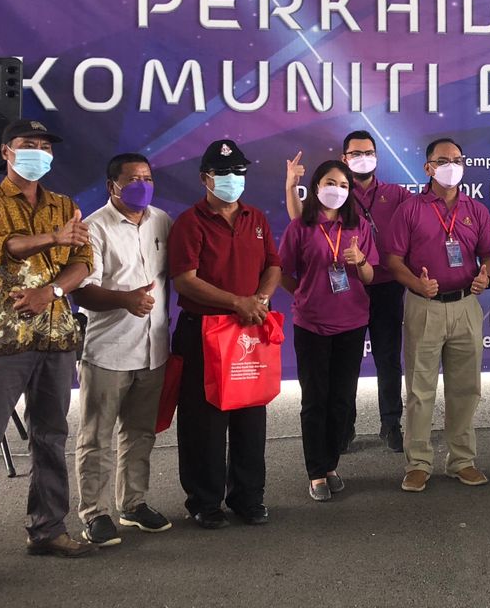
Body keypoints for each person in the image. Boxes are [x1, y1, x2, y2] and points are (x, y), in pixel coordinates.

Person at [0, 119, 96, 599]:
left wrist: (51, 291)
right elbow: (1, 248)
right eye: (28, 145)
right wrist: (54, 238)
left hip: (55, 339)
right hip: (1, 343)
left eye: (44, 146)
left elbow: (84, 263)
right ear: (5, 152)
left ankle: (48, 529)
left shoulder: (65, 204)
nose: (38, 152)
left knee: (51, 439)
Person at [168, 139, 281, 528]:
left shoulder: (256, 218)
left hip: (247, 329)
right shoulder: (190, 222)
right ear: (205, 178)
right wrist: (237, 302)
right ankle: (205, 501)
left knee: (251, 415)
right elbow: (185, 280)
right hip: (204, 331)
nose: (233, 178)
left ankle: (248, 497)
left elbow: (273, 265)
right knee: (205, 421)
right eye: (224, 172)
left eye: (239, 172)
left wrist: (259, 300)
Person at [288, 131, 412, 452]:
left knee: (388, 359)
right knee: (346, 365)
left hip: (385, 287)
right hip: (345, 291)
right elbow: (302, 222)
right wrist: (290, 186)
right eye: (356, 153)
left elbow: (419, 222)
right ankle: (344, 427)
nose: (363, 158)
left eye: (369, 152)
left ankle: (391, 424)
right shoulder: (337, 192)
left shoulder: (396, 194)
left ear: (377, 156)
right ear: (345, 158)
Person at [386, 138, 490, 491]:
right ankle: (418, 463)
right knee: (420, 390)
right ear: (428, 168)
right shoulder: (409, 210)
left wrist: (486, 276)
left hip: (466, 305)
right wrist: (417, 285)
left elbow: (489, 255)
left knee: (466, 388)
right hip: (424, 307)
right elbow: (393, 261)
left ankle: (461, 460)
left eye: (457, 160)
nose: (452, 166)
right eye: (443, 160)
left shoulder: (476, 209)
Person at [73, 153, 174, 547]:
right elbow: (82, 291)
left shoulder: (162, 221)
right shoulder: (94, 228)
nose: (141, 185)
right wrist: (125, 300)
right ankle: (94, 513)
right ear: (112, 185)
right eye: (132, 179)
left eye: (147, 178)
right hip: (108, 349)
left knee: (140, 432)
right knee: (96, 436)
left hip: (153, 348)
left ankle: (133, 504)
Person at [278, 160, 379, 501]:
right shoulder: (301, 227)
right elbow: (283, 272)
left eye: (344, 185)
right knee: (315, 399)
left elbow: (370, 276)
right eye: (330, 183)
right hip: (312, 325)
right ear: (317, 187)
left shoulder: (358, 226)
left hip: (352, 323)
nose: (337, 190)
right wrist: (304, 294)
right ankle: (316, 472)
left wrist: (359, 260)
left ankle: (331, 463)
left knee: (342, 399)